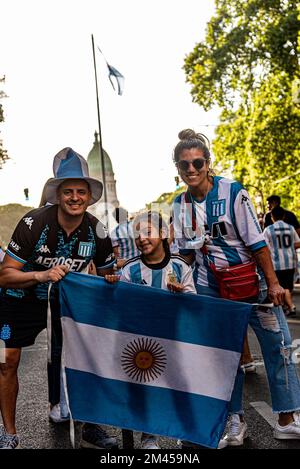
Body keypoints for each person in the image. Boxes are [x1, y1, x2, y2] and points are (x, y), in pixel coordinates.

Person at [172, 129, 300, 447]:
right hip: (210, 290)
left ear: (208, 163)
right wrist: (174, 276)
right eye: (184, 164)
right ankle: (234, 420)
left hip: (253, 284)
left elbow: (257, 243)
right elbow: (185, 252)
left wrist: (273, 283)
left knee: (280, 347)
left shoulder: (232, 192)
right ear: (177, 167)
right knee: (225, 357)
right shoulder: (179, 205)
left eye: (197, 163)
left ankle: (287, 418)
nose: (191, 170)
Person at [0, 147, 117, 449]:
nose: (75, 197)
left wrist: (111, 280)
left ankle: (91, 425)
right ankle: (9, 433)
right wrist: (40, 275)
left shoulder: (98, 230)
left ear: (90, 196)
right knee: (6, 361)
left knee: (88, 357)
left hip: (66, 302)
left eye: (81, 191)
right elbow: (4, 274)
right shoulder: (34, 222)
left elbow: (107, 277)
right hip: (18, 300)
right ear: (58, 194)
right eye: (68, 191)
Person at [105, 210, 196, 449]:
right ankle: (148, 436)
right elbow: (120, 308)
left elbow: (195, 305)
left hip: (175, 340)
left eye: (147, 232)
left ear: (164, 234)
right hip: (143, 342)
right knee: (144, 387)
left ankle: (185, 431)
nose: (141, 239)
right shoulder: (130, 270)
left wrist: (181, 296)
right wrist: (113, 286)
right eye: (137, 235)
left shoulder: (180, 265)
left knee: (180, 385)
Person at [263, 206, 300, 316]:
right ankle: (287, 306)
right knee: (288, 286)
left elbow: (264, 247)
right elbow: (298, 243)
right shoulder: (290, 228)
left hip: (276, 264)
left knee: (283, 287)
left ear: (272, 216)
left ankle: (291, 306)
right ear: (284, 216)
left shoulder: (268, 230)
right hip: (290, 262)